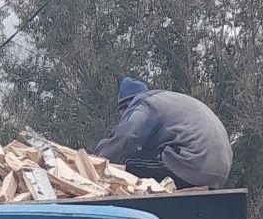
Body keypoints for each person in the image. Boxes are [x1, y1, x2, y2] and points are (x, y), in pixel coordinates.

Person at [95, 77, 232, 189]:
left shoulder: (143, 104)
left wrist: (97, 163)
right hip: (218, 173)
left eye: (122, 115)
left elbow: (127, 135)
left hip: (193, 163)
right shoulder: (167, 101)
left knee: (126, 161)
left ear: (127, 106)